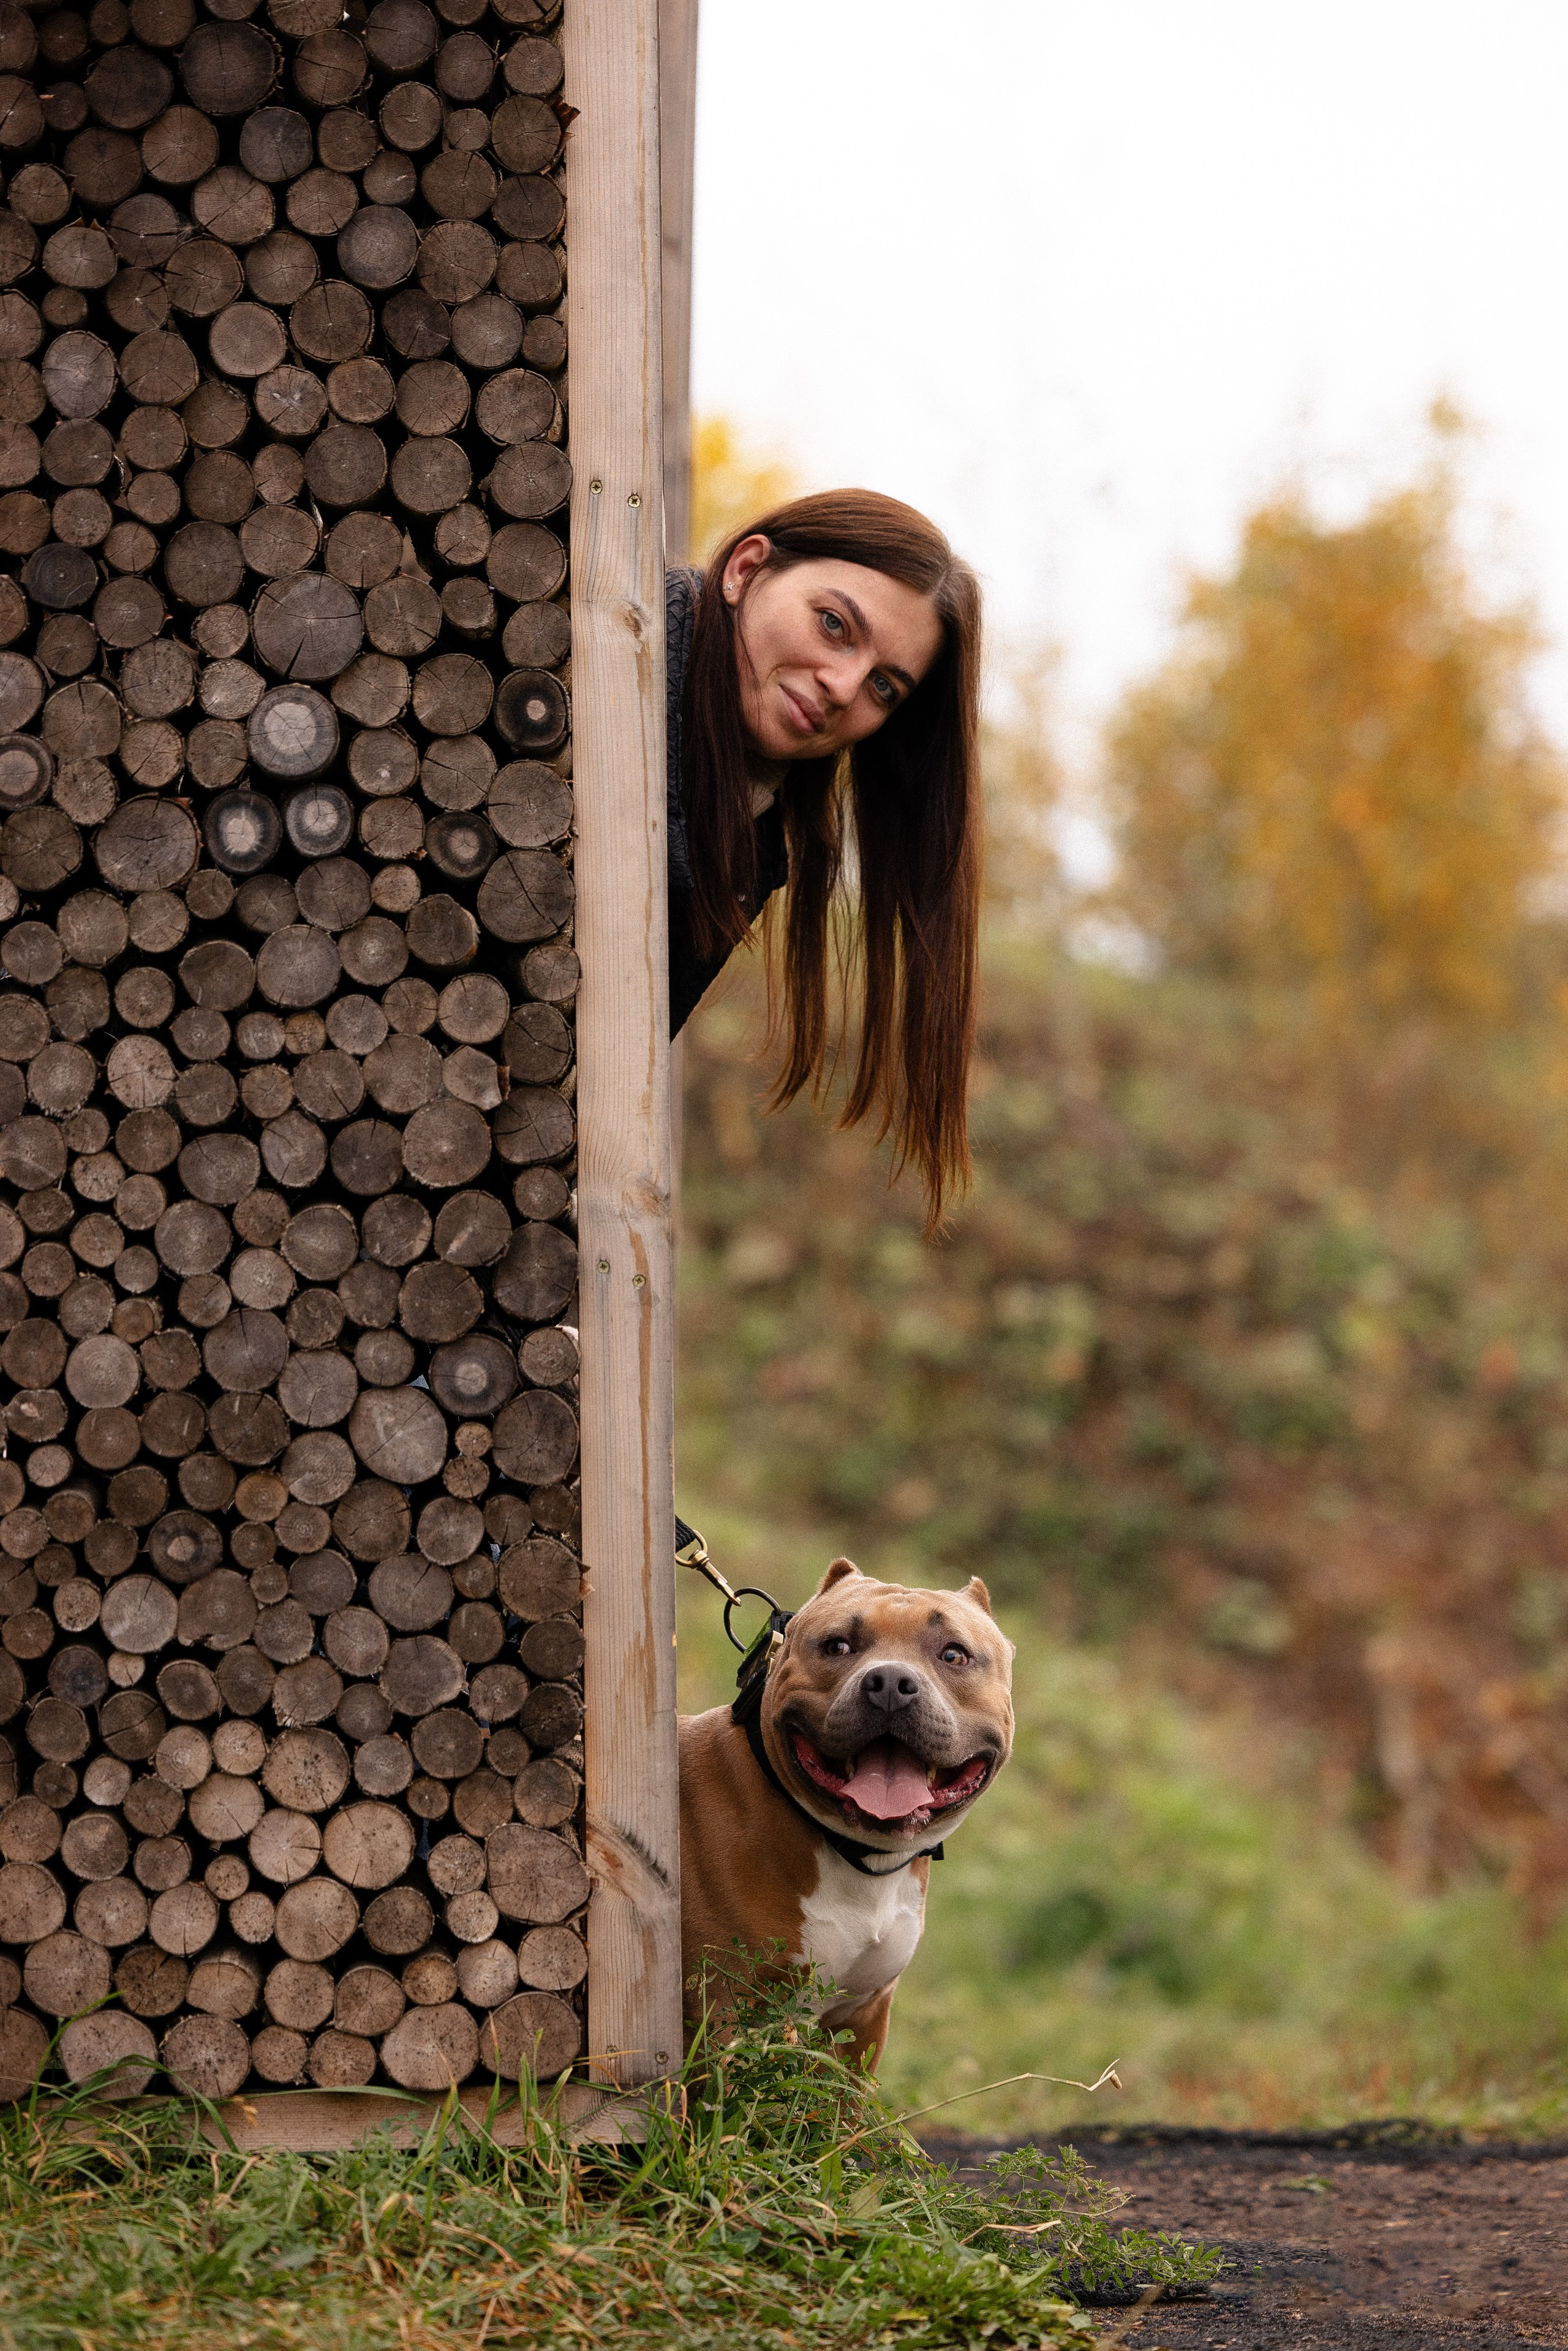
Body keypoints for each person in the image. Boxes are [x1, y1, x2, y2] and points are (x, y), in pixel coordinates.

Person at [666, 489, 982, 1231]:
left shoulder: (750, 828)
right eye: (835, 624)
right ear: (746, 568)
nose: (843, 688)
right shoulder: (589, 658)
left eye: (883, 686)